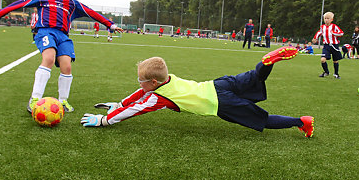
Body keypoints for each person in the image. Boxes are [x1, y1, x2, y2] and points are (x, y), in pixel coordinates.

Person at [80, 47, 315, 138]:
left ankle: (300, 121)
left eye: (142, 81)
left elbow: (136, 108)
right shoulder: (166, 81)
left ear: (153, 82)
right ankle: (267, 63)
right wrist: (118, 103)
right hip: (219, 84)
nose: (139, 84)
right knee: (254, 78)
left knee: (262, 120)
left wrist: (104, 121)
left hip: (221, 102)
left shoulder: (159, 97)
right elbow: (135, 97)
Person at [0, 0, 124, 113]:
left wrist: (111, 24)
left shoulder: (72, 4)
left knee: (67, 67)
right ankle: (35, 99)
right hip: (45, 31)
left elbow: (91, 13)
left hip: (63, 37)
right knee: (49, 58)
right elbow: (19, 3)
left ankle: (63, 101)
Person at [312, 12, 344, 79]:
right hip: (326, 46)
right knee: (323, 59)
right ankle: (326, 72)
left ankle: (336, 74)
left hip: (334, 45)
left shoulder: (334, 26)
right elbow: (319, 33)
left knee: (335, 60)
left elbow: (341, 33)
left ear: (331, 19)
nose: (326, 20)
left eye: (328, 18)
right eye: (325, 18)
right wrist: (315, 38)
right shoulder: (322, 27)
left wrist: (334, 33)